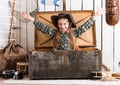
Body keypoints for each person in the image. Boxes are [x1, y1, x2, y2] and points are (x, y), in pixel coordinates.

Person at [21, 8, 104, 50]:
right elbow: (43, 27)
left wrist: (96, 15)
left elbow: (85, 27)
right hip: (56, 59)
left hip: (71, 58)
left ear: (69, 24)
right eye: (60, 24)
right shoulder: (54, 33)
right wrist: (30, 18)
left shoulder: (73, 34)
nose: (62, 26)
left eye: (65, 24)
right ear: (57, 25)